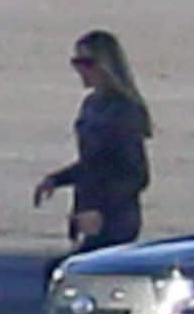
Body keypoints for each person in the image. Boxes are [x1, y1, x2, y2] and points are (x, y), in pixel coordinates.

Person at [34, 30, 152, 279]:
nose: (80, 70)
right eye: (76, 63)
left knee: (66, 277)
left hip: (114, 219)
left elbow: (135, 174)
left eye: (86, 63)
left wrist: (101, 211)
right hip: (89, 209)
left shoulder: (123, 110)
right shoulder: (92, 105)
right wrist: (57, 179)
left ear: (105, 65)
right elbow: (92, 163)